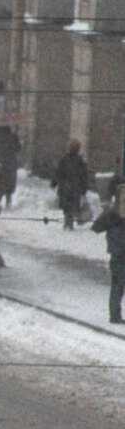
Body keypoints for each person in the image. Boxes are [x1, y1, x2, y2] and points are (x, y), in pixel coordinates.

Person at [92, 189, 125, 325]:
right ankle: (115, 315)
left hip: (117, 252)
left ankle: (115, 315)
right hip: (118, 253)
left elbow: (96, 227)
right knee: (118, 284)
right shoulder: (113, 213)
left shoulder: (111, 212)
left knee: (118, 284)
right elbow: (97, 227)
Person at [53, 139, 92, 229]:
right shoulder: (79, 161)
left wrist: (54, 183)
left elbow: (58, 172)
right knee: (71, 206)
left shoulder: (65, 159)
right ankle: (69, 221)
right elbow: (84, 176)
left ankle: (68, 221)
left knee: (68, 206)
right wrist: (84, 187)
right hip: (74, 187)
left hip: (67, 187)